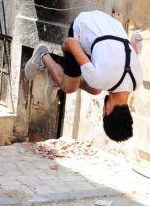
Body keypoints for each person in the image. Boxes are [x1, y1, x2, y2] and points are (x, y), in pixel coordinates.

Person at [24, 10, 143, 142]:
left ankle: (56, 79)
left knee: (95, 90)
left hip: (109, 24)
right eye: (103, 112)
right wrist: (65, 52)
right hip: (82, 26)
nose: (103, 110)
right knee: (69, 87)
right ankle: (43, 56)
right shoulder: (98, 79)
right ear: (107, 110)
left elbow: (131, 52)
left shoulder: (137, 82)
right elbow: (70, 43)